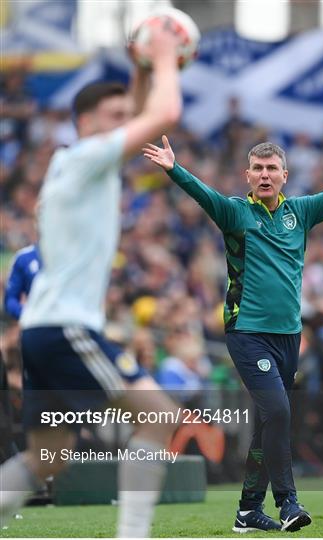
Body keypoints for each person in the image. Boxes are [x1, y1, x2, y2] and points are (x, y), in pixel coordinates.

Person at [143, 111, 323, 533]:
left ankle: (248, 510)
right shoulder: (236, 213)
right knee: (278, 410)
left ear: (285, 175)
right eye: (258, 168)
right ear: (247, 175)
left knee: (269, 420)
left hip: (289, 336)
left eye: (272, 168)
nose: (265, 174)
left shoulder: (301, 213)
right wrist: (175, 169)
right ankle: (288, 502)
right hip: (247, 331)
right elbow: (205, 195)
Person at [0, 25, 182, 539]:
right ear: (84, 122)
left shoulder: (76, 163)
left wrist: (142, 71)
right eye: (115, 118)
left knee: (48, 460)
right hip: (65, 327)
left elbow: (145, 113)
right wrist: (167, 59)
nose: (128, 126)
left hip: (43, 331)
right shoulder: (84, 159)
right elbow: (164, 116)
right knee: (159, 415)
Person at [4, 244, 41, 320]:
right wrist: (25, 314)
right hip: (37, 323)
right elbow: (10, 298)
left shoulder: (71, 255)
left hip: (68, 322)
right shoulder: (24, 257)